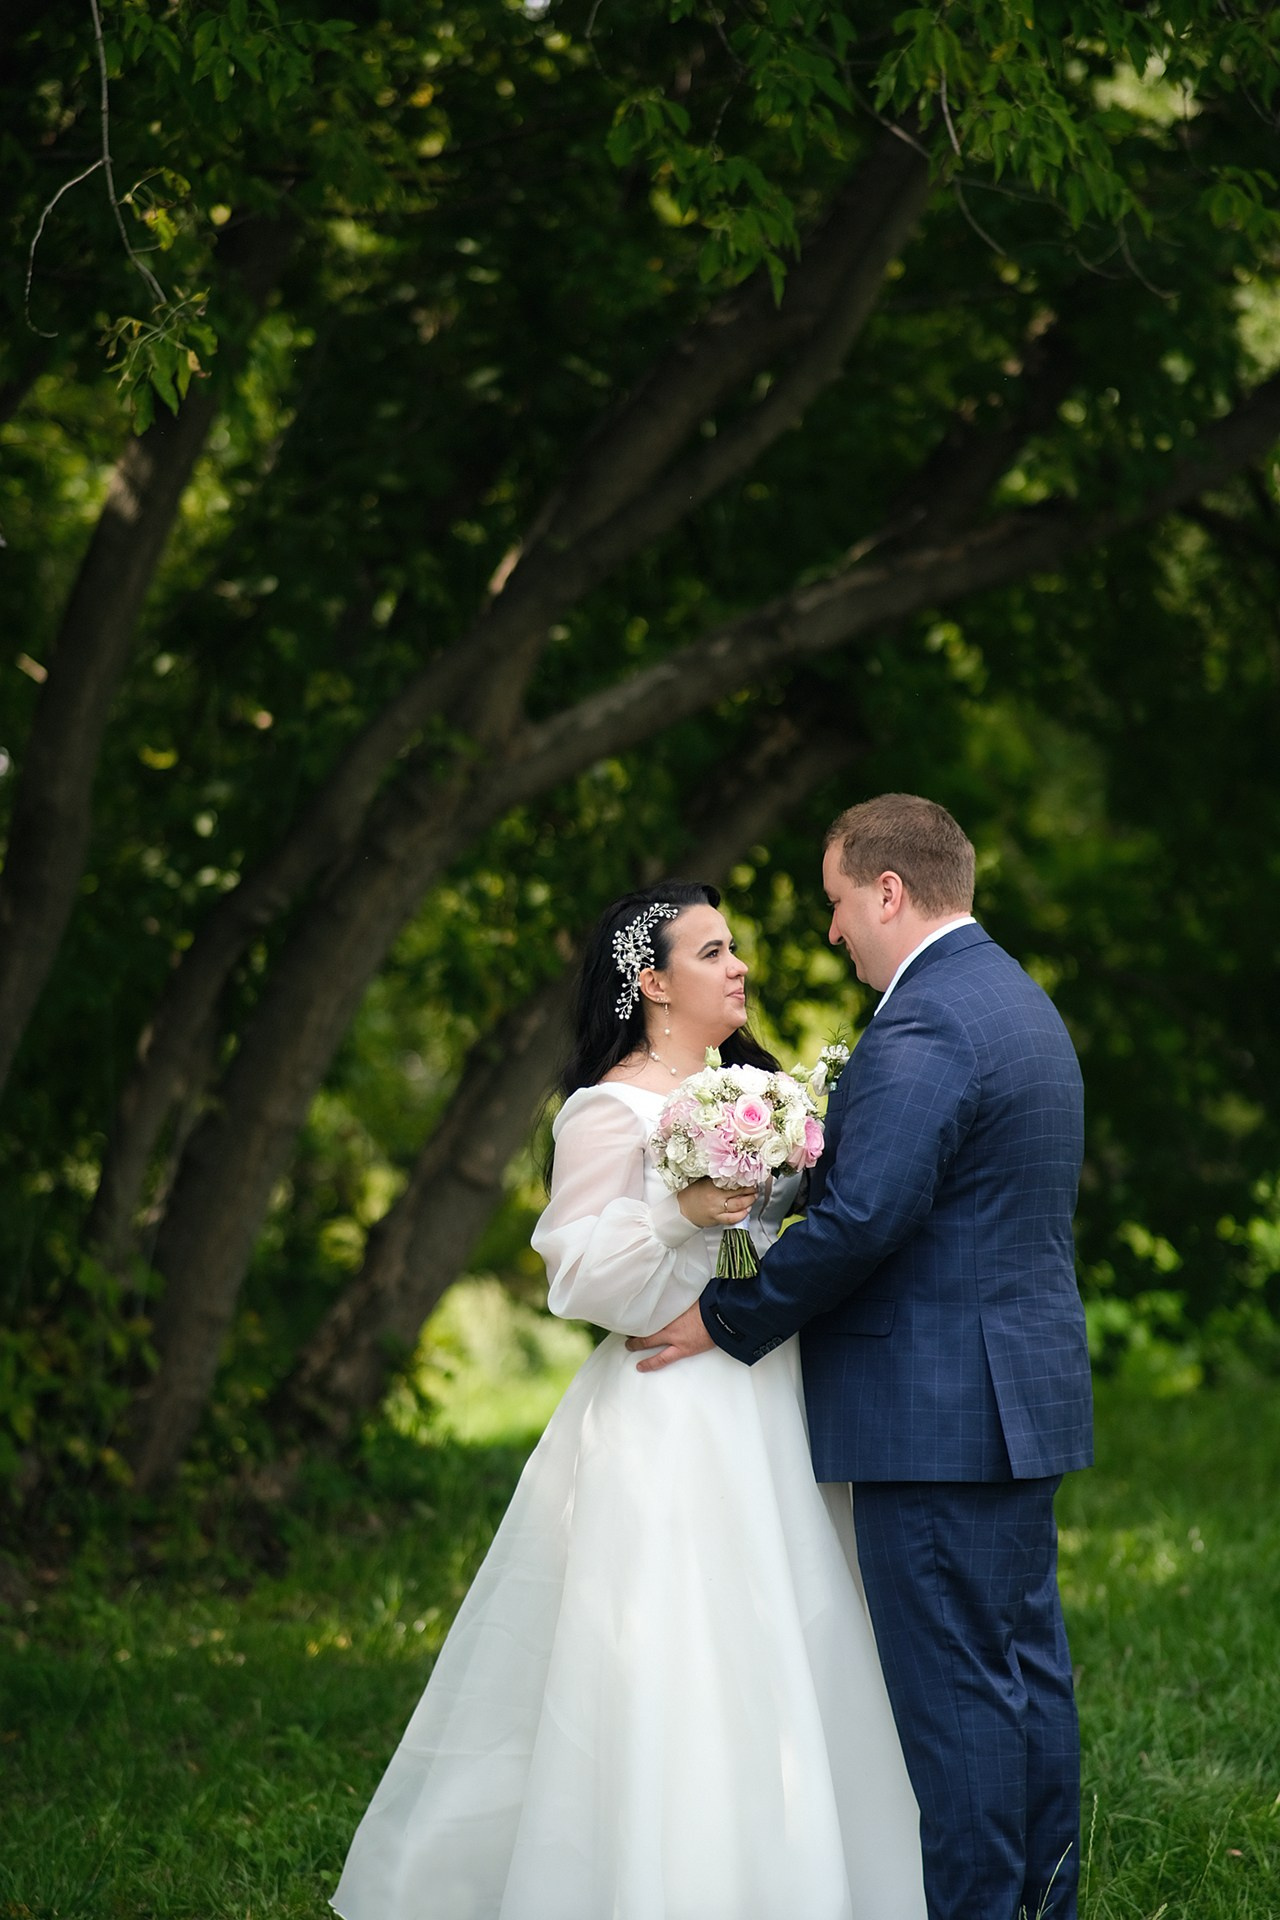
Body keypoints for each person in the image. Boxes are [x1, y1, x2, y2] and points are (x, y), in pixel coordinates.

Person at [332, 880, 926, 1920]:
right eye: (711, 953)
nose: (738, 965)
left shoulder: (764, 1095)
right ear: (650, 983)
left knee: (800, 1623)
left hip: (770, 1388)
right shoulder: (606, 1109)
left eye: (735, 947)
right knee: (676, 1646)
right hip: (667, 1399)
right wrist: (675, 1212)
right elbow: (578, 1279)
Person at [629, 797, 1093, 1920]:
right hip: (1005, 1403)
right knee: (1022, 1684)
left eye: (836, 903)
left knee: (959, 1708)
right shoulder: (1012, 1001)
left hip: (933, 1417)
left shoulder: (925, 1020)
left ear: (887, 892)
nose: (831, 931)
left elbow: (864, 1218)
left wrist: (725, 1316)